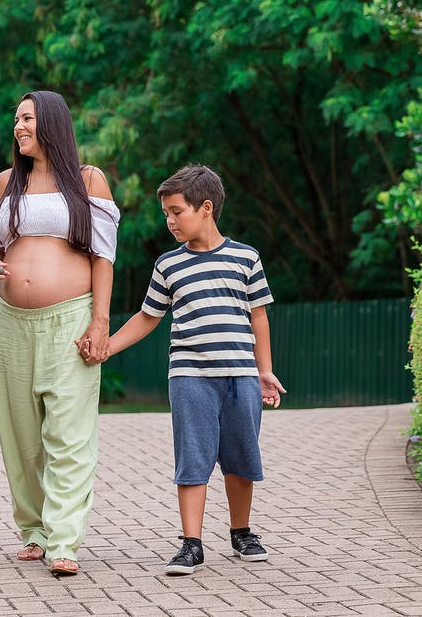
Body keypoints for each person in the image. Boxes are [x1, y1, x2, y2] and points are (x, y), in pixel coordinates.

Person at [102, 164, 285, 575]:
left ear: (206, 208)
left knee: (241, 457)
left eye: (176, 211)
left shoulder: (246, 257)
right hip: (189, 377)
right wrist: (109, 347)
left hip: (241, 377)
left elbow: (259, 317)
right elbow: (148, 316)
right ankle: (191, 544)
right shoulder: (168, 265)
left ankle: (242, 532)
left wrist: (264, 370)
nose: (169, 221)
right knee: (193, 458)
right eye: (166, 213)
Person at [0, 90, 120, 576]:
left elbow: (104, 257)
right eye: (15, 119)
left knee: (68, 433)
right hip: (11, 321)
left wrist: (100, 323)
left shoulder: (88, 180)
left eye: (28, 118)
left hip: (71, 318)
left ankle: (63, 541)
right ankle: (33, 530)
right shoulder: (4, 184)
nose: (18, 127)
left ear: (53, 123)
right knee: (20, 436)